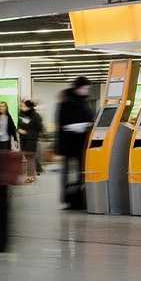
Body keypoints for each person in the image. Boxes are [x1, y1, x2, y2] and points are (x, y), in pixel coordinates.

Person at [54, 76, 94, 210]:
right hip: (70, 144)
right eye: (84, 88)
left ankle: (79, 198)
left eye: (88, 88)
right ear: (77, 87)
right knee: (69, 173)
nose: (86, 91)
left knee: (79, 173)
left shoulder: (84, 102)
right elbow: (62, 123)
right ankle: (70, 199)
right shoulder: (67, 101)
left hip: (81, 144)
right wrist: (78, 126)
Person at [17, 100, 45, 180]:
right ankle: (34, 172)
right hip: (23, 138)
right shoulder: (21, 114)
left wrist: (27, 132)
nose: (21, 107)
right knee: (26, 155)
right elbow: (18, 124)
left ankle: (30, 175)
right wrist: (18, 129)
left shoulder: (36, 116)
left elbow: (40, 128)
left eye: (23, 106)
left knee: (30, 156)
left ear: (28, 107)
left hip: (31, 139)